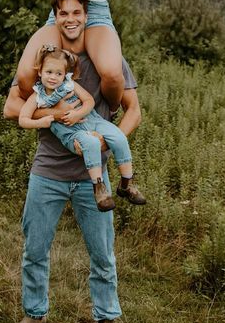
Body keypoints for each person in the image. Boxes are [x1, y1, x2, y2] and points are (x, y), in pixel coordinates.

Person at [5, 0, 142, 323]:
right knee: (34, 248)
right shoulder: (47, 61)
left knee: (102, 253)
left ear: (87, 15)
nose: (70, 19)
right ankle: (34, 315)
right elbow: (11, 107)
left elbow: (134, 111)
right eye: (63, 13)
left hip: (91, 175)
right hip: (47, 171)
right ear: (56, 17)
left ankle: (105, 319)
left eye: (76, 12)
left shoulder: (109, 60)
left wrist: (104, 141)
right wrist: (55, 113)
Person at [19, 43, 146, 212]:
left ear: (65, 74)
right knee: (92, 143)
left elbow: (89, 101)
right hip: (71, 131)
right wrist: (41, 122)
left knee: (118, 137)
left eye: (59, 73)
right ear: (40, 71)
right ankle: (99, 189)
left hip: (92, 119)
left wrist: (78, 114)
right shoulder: (38, 96)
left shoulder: (70, 84)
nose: (53, 77)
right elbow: (23, 119)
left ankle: (126, 183)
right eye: (49, 72)